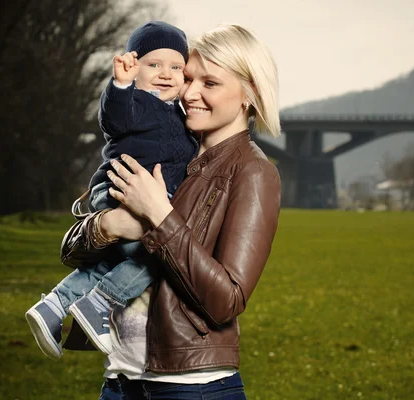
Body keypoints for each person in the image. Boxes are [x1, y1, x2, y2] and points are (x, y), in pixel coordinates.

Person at [60, 24, 282, 399]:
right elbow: (70, 252)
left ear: (249, 94)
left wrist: (160, 216)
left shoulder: (253, 171)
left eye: (209, 84)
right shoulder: (156, 147)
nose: (189, 92)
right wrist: (110, 224)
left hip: (190, 388)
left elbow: (226, 301)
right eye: (189, 77)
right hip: (120, 381)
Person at [25, 21, 197, 360]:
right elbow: (114, 119)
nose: (166, 74)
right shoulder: (135, 101)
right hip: (120, 189)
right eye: (154, 65)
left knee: (118, 260)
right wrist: (120, 84)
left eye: (176, 67)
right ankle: (102, 304)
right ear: (135, 66)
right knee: (159, 252)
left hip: (142, 196)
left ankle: (53, 307)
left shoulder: (177, 113)